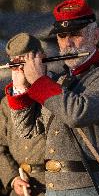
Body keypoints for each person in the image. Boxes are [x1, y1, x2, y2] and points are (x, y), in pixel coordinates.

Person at [6, 0, 99, 196]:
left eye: (75, 34)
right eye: (62, 36)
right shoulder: (57, 82)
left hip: (96, 188)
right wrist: (20, 87)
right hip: (54, 189)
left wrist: (39, 81)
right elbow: (27, 130)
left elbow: (76, 114)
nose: (68, 43)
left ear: (95, 36)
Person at [0, 33, 49, 196]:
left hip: (55, 185)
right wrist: (13, 178)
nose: (22, 71)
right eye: (16, 65)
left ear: (42, 59)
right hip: (22, 184)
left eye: (26, 64)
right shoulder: (6, 103)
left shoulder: (59, 91)